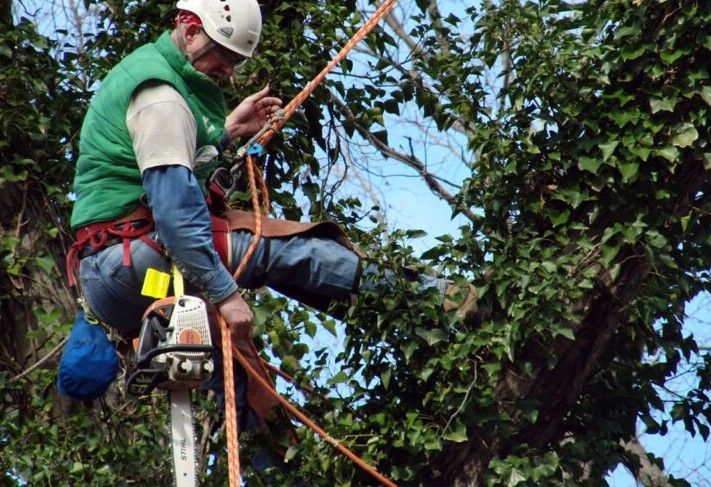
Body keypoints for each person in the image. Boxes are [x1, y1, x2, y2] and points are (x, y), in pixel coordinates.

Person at [64, 0, 476, 470]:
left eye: (237, 61)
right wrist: (225, 293)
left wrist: (225, 134)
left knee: (245, 381)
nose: (230, 70)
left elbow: (168, 174)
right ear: (188, 26)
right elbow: (176, 216)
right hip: (134, 259)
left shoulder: (163, 81)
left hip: (115, 277)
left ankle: (283, 476)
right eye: (223, 55)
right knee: (288, 248)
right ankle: (437, 300)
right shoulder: (159, 95)